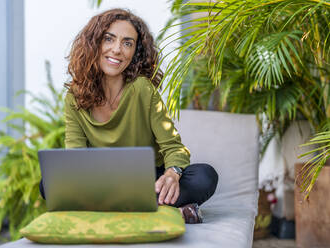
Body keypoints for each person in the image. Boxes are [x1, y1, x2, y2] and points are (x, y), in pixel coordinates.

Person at [40, 8, 218, 224]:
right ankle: (164, 212)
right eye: (109, 39)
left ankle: (116, 210)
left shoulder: (142, 89)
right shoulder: (75, 97)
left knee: (205, 176)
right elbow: (75, 157)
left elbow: (174, 148)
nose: (117, 49)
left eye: (127, 43)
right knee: (48, 183)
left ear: (135, 52)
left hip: (149, 181)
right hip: (103, 182)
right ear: (94, 43)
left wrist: (172, 173)